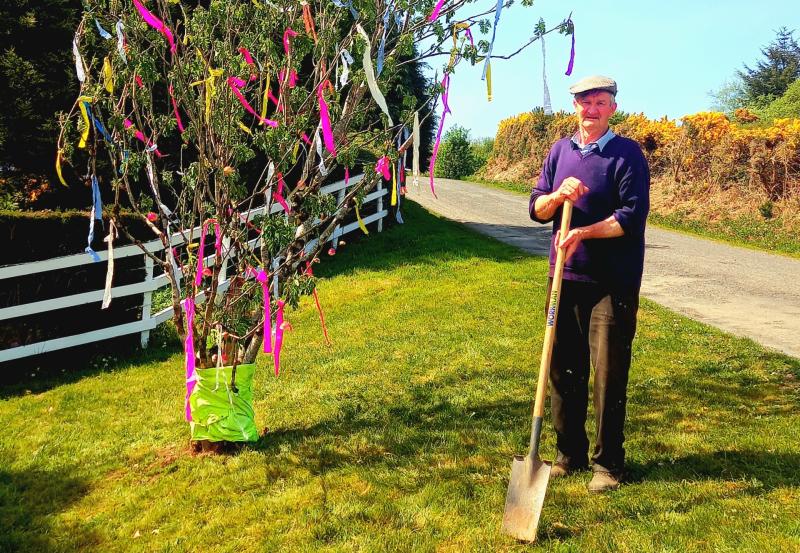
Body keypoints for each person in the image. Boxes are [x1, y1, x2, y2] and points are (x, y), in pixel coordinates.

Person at [528, 75, 650, 493]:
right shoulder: (559, 151)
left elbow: (630, 219)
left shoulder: (626, 155)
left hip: (610, 283)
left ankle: (608, 464)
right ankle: (569, 454)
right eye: (584, 102)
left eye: (600, 102)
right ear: (575, 106)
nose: (591, 109)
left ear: (612, 108)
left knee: (608, 372)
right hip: (564, 277)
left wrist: (584, 233)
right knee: (563, 368)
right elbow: (537, 210)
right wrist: (559, 196)